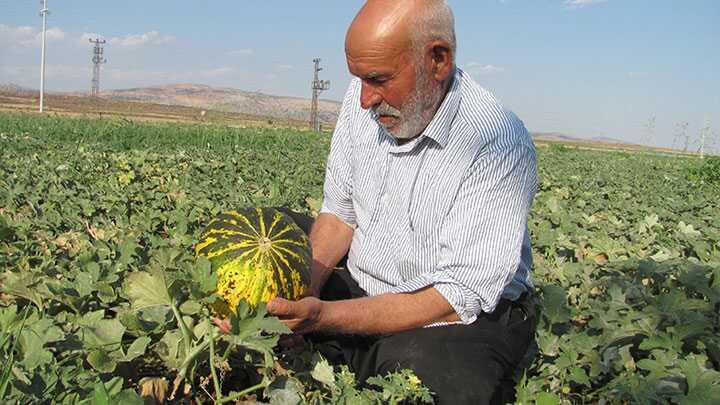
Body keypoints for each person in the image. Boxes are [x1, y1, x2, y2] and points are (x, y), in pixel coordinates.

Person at [267, 1, 538, 403]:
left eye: (378, 79)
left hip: (443, 316)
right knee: (264, 239)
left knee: (439, 384)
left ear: (438, 59)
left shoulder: (496, 141)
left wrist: (323, 316)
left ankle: (353, 348)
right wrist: (300, 294)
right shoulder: (365, 98)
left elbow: (453, 297)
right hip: (363, 281)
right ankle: (342, 343)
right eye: (359, 79)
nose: (364, 100)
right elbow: (339, 217)